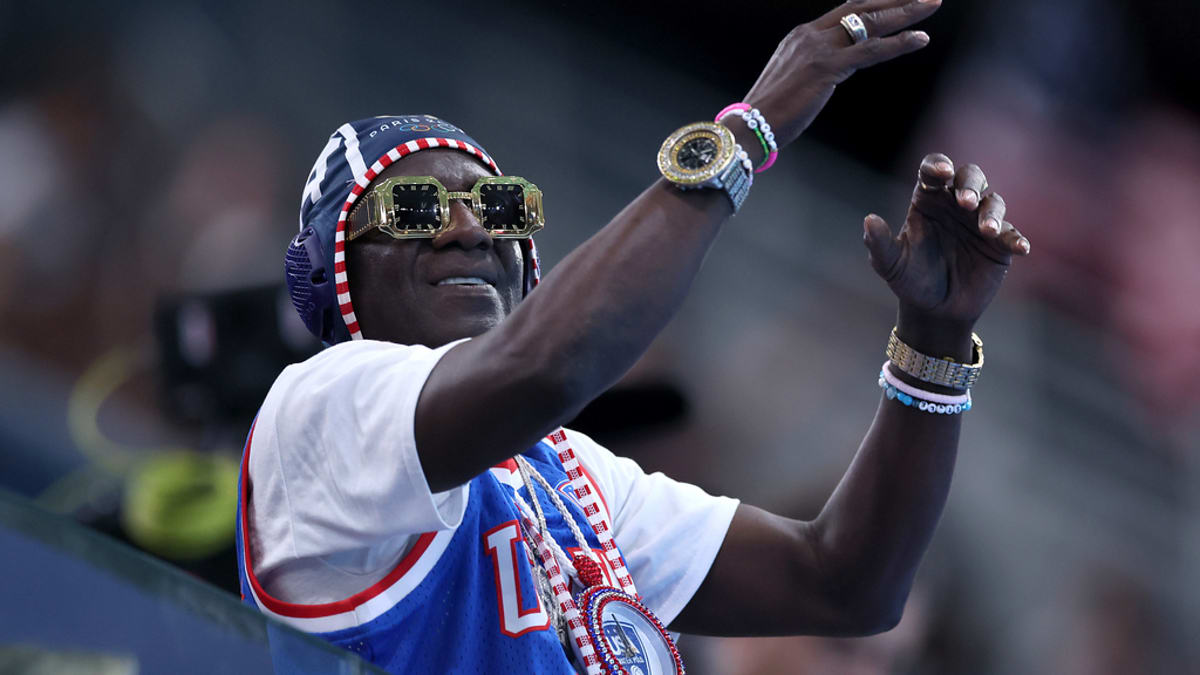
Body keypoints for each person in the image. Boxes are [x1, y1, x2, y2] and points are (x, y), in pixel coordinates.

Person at [234, 0, 1031, 672]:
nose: (472, 230)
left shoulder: (568, 476)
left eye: (504, 206)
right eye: (414, 209)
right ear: (336, 273)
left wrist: (935, 343)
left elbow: (845, 582)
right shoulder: (316, 413)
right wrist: (746, 133)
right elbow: (550, 363)